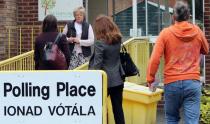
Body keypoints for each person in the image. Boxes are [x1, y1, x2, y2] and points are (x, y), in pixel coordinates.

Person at [146, 1, 209, 124]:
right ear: (188, 16)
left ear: (174, 16)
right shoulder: (197, 31)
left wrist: (150, 79)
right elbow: (206, 49)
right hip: (192, 81)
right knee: (192, 121)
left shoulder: (165, 33)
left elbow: (154, 59)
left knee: (171, 119)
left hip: (172, 83)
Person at [89, 15, 125, 124]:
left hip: (104, 81)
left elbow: (97, 64)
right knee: (118, 108)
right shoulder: (117, 39)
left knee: (99, 107)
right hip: (118, 79)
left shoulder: (100, 43)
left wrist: (90, 76)